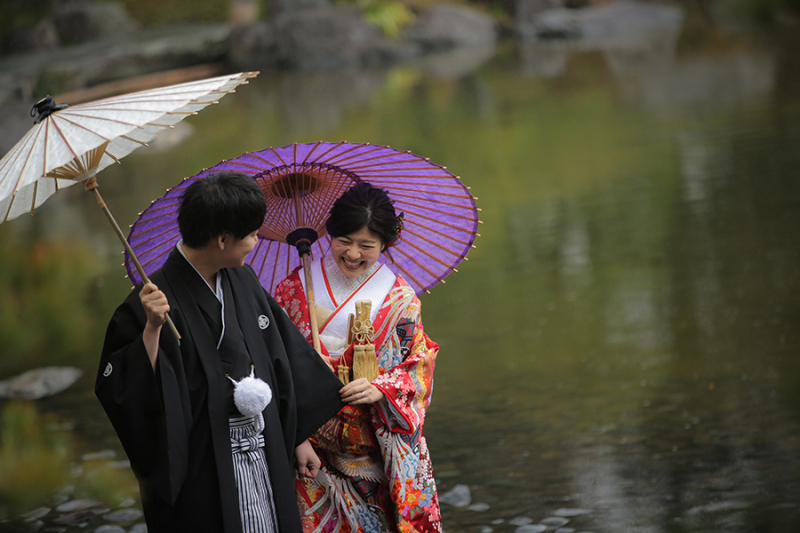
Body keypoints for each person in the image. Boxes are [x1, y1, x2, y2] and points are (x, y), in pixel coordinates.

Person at [96, 171, 345, 533]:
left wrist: (297, 437)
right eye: (252, 234)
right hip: (203, 460)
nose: (256, 241)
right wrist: (152, 328)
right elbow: (126, 392)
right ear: (223, 239)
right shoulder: (147, 305)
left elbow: (279, 356)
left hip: (265, 445)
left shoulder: (242, 279)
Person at [273, 182, 443, 533]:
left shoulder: (399, 297)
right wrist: (296, 436)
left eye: (367, 246)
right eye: (344, 241)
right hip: (311, 447)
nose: (353, 254)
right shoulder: (294, 288)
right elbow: (273, 364)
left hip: (374, 450)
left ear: (384, 244)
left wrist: (382, 387)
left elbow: (419, 362)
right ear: (330, 235)